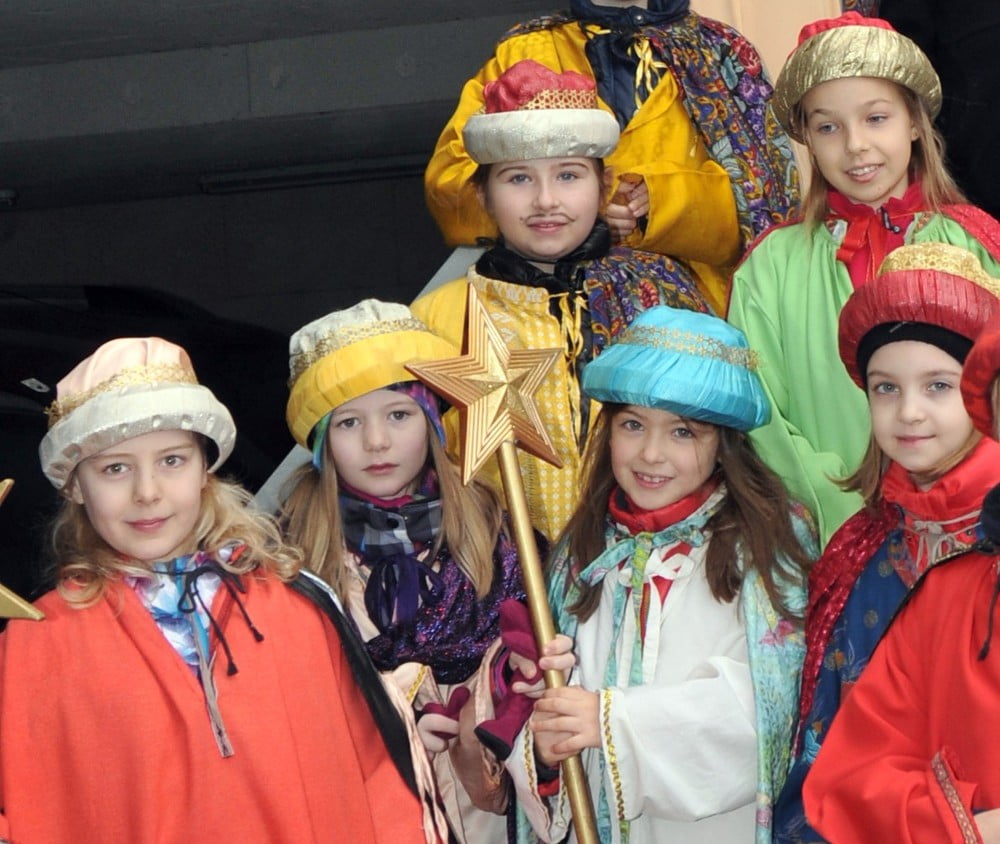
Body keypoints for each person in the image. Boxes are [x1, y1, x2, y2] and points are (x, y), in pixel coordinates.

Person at [0, 337, 427, 843]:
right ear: (74, 485)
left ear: (205, 469)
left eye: (172, 460)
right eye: (115, 468)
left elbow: (374, 781)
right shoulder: (38, 641)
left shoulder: (296, 607)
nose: (147, 492)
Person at [504, 305, 815, 843]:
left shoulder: (767, 544)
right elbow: (552, 706)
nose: (651, 454)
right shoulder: (583, 551)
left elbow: (768, 704)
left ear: (725, 443)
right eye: (632, 425)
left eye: (682, 432)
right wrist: (548, 746)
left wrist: (612, 721)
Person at [727, 11, 1000, 547]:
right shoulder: (770, 266)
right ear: (806, 138)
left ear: (915, 121)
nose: (855, 145)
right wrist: (838, 510)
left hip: (969, 531)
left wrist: (963, 499)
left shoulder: (979, 244)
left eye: (876, 118)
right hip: (824, 534)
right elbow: (760, 414)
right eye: (828, 126)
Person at [414, 59, 713, 543]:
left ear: (604, 185)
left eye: (569, 175)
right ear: (483, 196)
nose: (546, 200)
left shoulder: (662, 295)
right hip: (507, 574)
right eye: (518, 178)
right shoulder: (438, 320)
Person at [773, 242, 1000, 843]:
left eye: (938, 386)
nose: (909, 413)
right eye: (886, 388)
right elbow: (828, 734)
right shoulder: (861, 546)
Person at [281, 299, 531, 843]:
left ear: (432, 422)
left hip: (489, 811)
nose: (376, 442)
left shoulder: (495, 532)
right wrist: (390, 726)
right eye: (349, 422)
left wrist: (491, 704)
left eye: (399, 414)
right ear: (322, 442)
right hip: (368, 811)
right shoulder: (290, 562)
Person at [424, 0, 800, 316]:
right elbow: (452, 183)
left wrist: (662, 201)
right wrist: (584, 204)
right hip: (541, 317)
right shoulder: (524, 50)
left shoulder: (722, 54)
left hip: (696, 325)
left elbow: (769, 208)